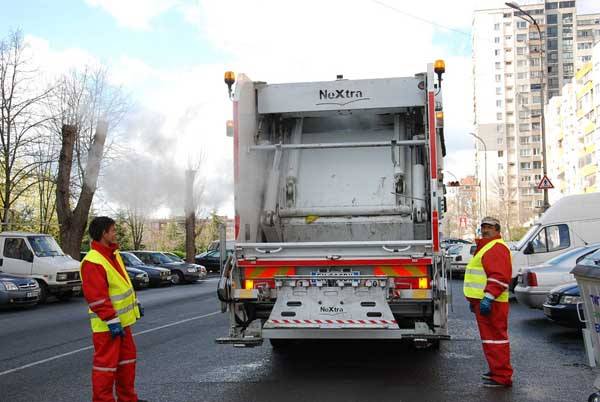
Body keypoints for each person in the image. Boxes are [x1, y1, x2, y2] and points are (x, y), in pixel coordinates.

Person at [81, 216, 147, 402]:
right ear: (104, 233)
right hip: (107, 326)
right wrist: (111, 320)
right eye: (113, 230)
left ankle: (128, 399)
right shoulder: (93, 260)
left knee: (127, 363)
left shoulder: (113, 254)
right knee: (106, 368)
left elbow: (121, 285)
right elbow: (96, 297)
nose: (115, 233)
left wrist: (135, 304)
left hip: (121, 324)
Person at [463, 216, 513, 388]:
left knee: (496, 339)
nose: (485, 230)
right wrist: (475, 300)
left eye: (489, 227)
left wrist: (488, 297)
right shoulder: (486, 247)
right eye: (483, 227)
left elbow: (499, 276)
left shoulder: (496, 247)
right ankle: (497, 371)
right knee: (490, 339)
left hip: (493, 302)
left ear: (497, 230)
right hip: (486, 301)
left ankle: (502, 376)